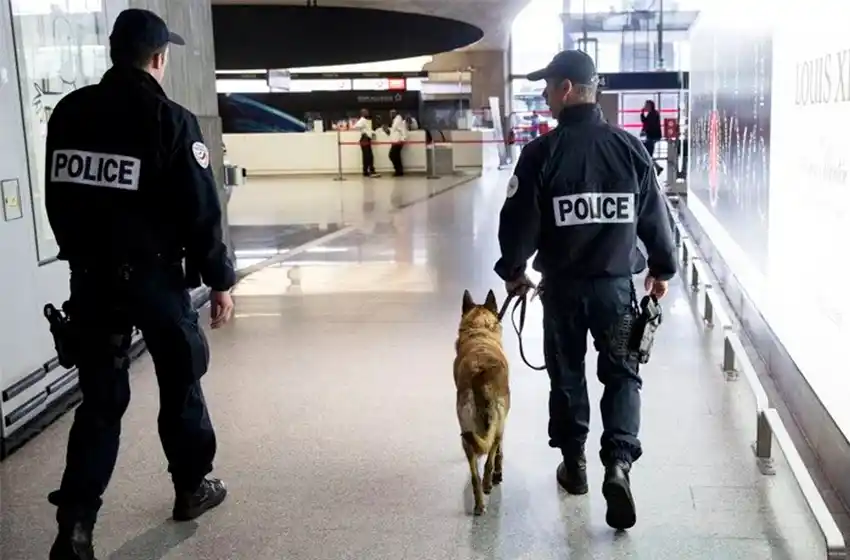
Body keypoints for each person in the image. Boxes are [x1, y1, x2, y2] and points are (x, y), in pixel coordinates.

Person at [43, 9, 236, 559]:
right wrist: (220, 280)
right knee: (181, 381)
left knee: (100, 402)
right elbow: (201, 210)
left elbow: (58, 196)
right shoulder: (170, 119)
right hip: (154, 278)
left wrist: (84, 254)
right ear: (158, 58)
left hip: (92, 281)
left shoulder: (70, 112)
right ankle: (191, 488)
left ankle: (75, 529)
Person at [493, 50, 676, 531]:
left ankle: (574, 466)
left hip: (563, 293)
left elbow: (519, 223)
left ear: (567, 89)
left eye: (548, 87)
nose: (545, 95)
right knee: (622, 376)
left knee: (567, 375)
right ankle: (618, 465)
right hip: (616, 291)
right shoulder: (629, 148)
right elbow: (655, 214)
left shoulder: (542, 153)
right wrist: (662, 268)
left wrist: (514, 270)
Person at [353, 108, 379, 177]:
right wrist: (364, 132)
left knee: (368, 156)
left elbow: (368, 130)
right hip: (364, 139)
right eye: (366, 112)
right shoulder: (362, 120)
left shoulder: (366, 120)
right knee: (368, 156)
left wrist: (372, 133)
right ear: (362, 113)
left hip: (367, 139)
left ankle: (366, 171)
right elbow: (356, 126)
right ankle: (370, 171)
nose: (367, 113)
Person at [640, 99, 664, 175]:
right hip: (651, 136)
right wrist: (642, 113)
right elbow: (645, 122)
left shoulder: (654, 114)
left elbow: (648, 124)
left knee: (647, 153)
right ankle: (657, 167)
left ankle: (656, 168)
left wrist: (644, 130)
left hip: (653, 136)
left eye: (646, 105)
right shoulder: (651, 113)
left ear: (650, 106)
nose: (645, 106)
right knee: (647, 154)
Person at [388, 109, 408, 176]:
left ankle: (398, 170)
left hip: (398, 141)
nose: (390, 115)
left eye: (392, 113)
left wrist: (403, 139)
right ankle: (399, 171)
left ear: (395, 114)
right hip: (396, 141)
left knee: (392, 155)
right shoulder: (396, 120)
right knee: (396, 156)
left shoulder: (398, 120)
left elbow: (402, 130)